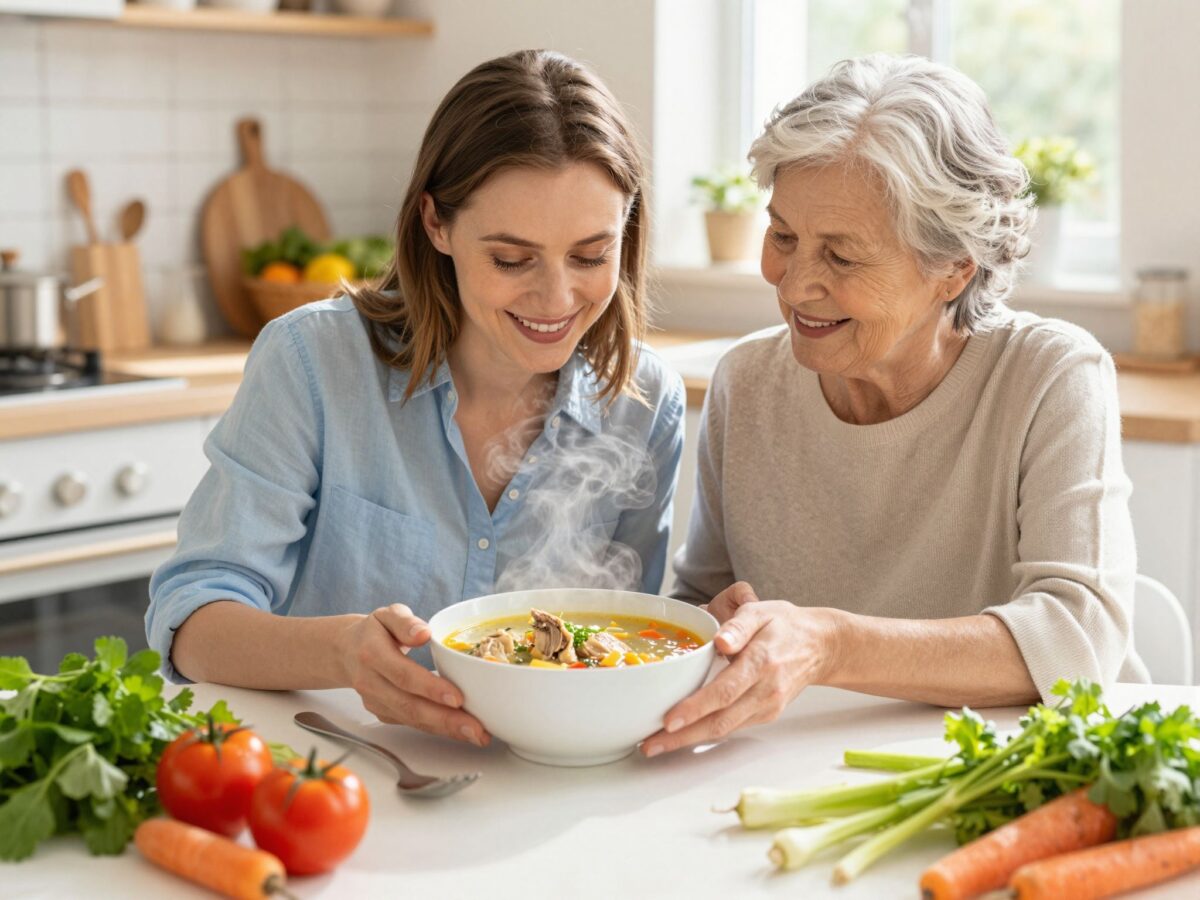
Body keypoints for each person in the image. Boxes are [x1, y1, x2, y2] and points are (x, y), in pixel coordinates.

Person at [147, 50, 685, 749]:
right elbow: (193, 623)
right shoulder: (313, 365)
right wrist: (341, 652)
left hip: (543, 788)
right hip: (333, 773)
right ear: (437, 224)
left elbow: (629, 641)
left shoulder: (643, 405)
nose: (557, 300)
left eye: (590, 255)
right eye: (511, 258)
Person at [643, 53, 1146, 759]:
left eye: (842, 257)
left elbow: (1077, 638)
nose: (794, 285)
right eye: (783, 236)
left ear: (954, 269)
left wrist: (832, 646)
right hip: (801, 769)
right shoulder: (748, 381)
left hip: (1018, 769)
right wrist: (709, 626)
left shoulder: (1051, 376)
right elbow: (703, 600)